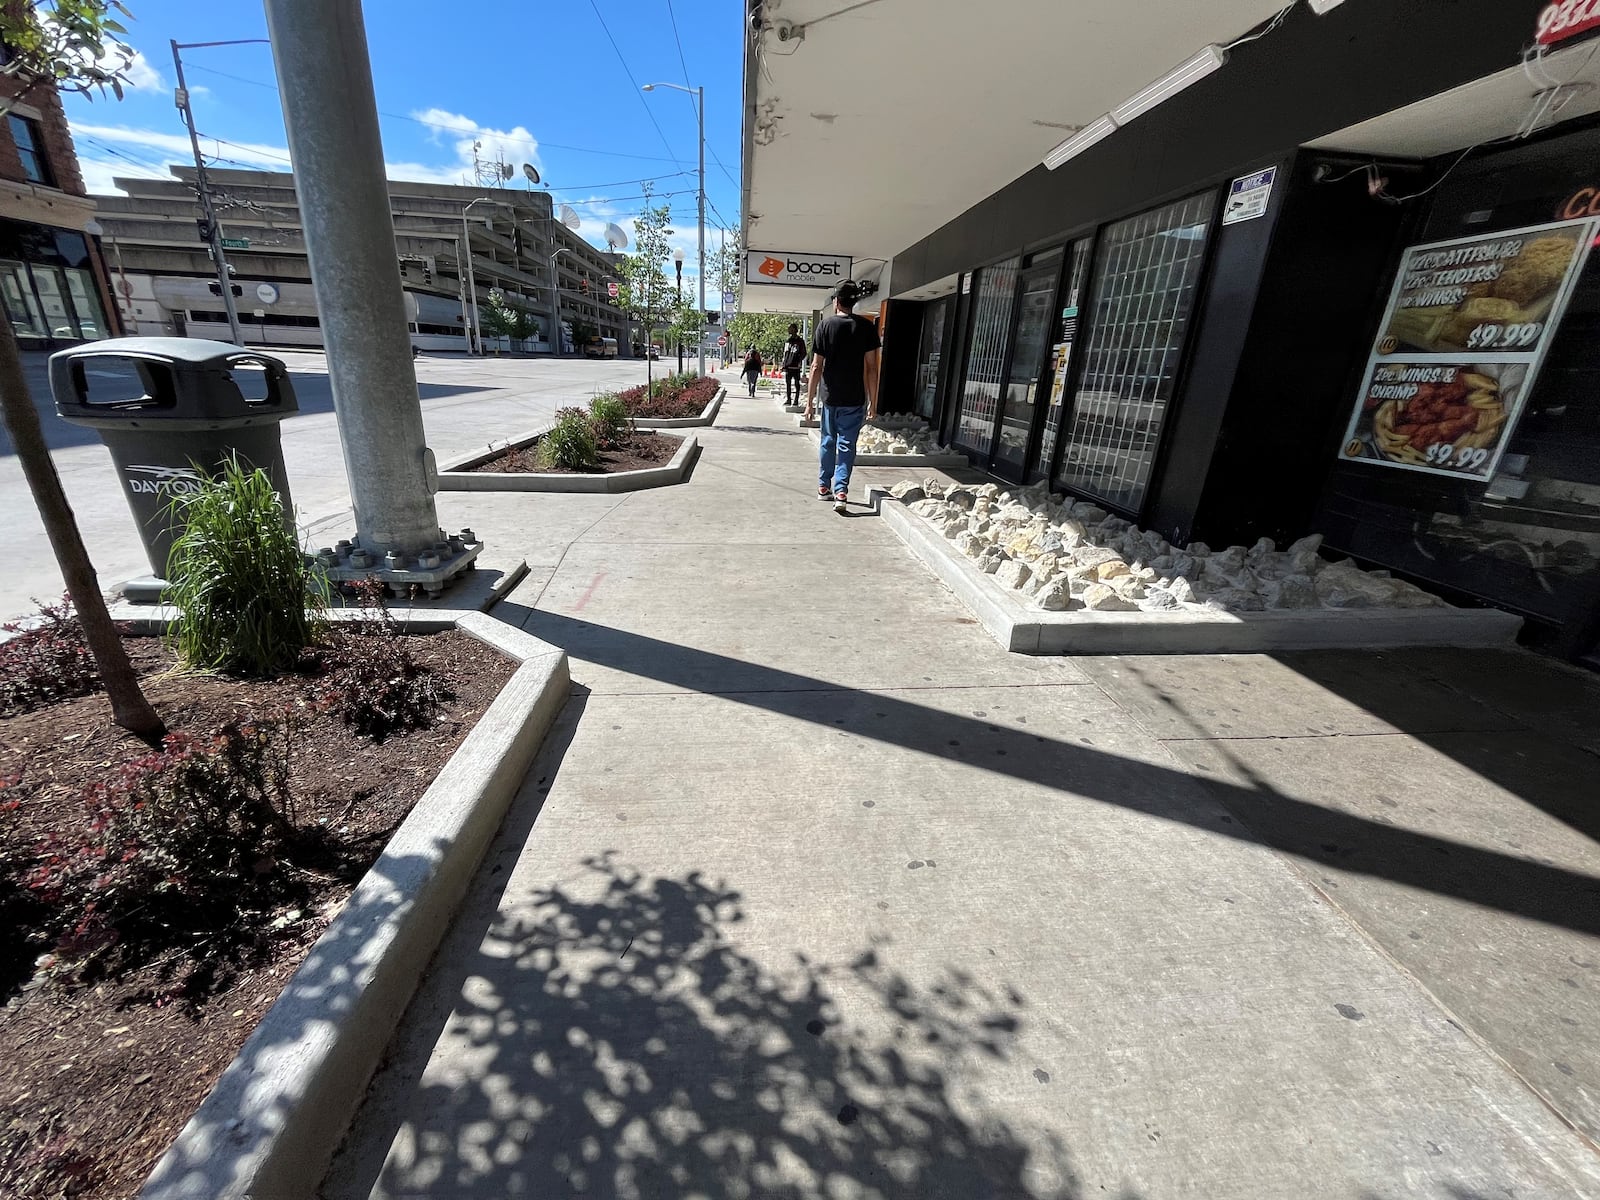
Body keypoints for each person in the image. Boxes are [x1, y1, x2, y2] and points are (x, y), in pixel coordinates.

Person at [805, 280, 879, 513]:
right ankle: (841, 491)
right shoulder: (867, 328)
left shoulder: (825, 327)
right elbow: (872, 368)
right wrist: (873, 402)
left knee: (828, 441)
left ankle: (823, 487)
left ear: (836, 301)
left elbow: (816, 367)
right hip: (854, 398)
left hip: (830, 397)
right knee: (847, 445)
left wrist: (809, 403)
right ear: (854, 302)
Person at [780, 323, 807, 406]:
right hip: (788, 366)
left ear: (795, 330)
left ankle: (796, 400)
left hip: (795, 366)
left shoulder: (800, 341)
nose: (789, 330)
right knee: (788, 383)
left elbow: (804, 353)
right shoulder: (788, 341)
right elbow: (785, 353)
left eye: (790, 328)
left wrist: (799, 361)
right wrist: (783, 364)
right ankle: (788, 399)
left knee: (796, 384)